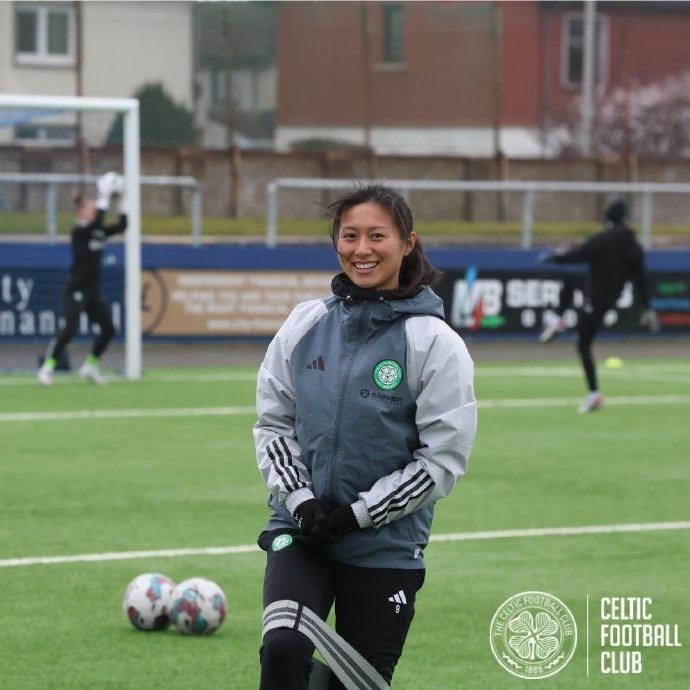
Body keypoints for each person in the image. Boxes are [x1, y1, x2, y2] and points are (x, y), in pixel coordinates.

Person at [253, 184, 477, 689]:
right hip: (303, 532)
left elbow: (442, 459)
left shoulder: (435, 343)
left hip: (385, 546)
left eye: (377, 235)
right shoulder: (303, 324)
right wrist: (304, 501)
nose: (362, 249)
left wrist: (358, 514)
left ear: (407, 243)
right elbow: (274, 421)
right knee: (284, 649)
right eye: (349, 235)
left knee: (357, 683)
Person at [538, 196, 658, 413]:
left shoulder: (603, 240)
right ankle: (558, 320)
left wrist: (554, 257)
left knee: (583, 344)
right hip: (608, 298)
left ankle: (594, 395)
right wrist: (647, 307)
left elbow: (578, 255)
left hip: (596, 298)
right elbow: (642, 278)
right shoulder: (634, 245)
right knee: (572, 283)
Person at [38, 172, 127, 386]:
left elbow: (124, 225)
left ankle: (90, 366)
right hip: (76, 288)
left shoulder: (98, 232)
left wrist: (122, 200)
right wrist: (103, 195)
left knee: (109, 328)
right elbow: (96, 225)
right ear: (80, 212)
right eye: (90, 207)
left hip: (93, 290)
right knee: (71, 328)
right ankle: (47, 367)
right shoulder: (79, 232)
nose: (95, 208)